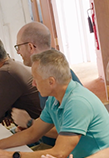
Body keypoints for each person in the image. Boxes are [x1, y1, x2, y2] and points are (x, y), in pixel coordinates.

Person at [0, 49, 109, 158]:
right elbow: (32, 132)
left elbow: (59, 153)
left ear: (51, 81)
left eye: (36, 79)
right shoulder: (55, 98)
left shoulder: (77, 103)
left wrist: (12, 156)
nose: (33, 84)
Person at [10, 21, 81, 149]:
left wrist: (29, 123)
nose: (18, 52)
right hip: (47, 140)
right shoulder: (48, 68)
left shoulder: (55, 77)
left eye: (18, 47)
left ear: (31, 47)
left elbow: (67, 131)